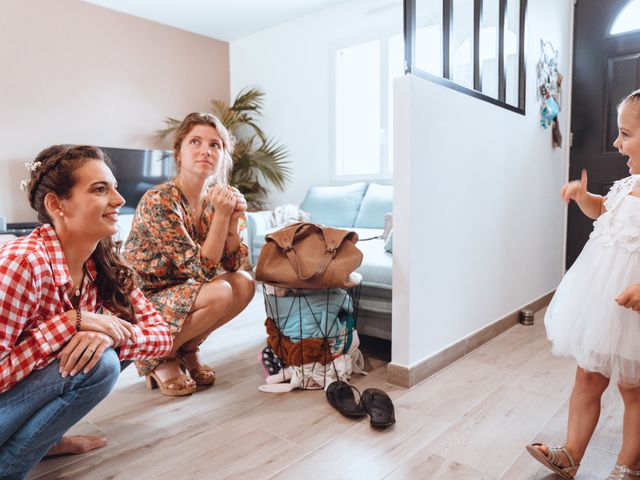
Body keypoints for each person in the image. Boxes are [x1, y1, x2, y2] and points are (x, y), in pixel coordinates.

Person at [0, 145, 173, 479]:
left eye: (114, 187)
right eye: (100, 189)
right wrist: (69, 323)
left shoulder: (103, 262)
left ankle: (46, 442)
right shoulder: (23, 263)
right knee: (100, 364)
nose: (120, 200)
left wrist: (104, 333)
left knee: (105, 354)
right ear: (56, 204)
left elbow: (162, 335)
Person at [526, 89, 640, 479]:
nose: (616, 142)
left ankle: (629, 465)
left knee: (634, 388)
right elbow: (604, 212)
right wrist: (583, 196)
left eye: (625, 134)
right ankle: (572, 454)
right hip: (604, 300)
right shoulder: (626, 185)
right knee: (588, 375)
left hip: (637, 308)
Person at [124, 112, 255, 396]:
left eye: (215, 145)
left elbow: (232, 264)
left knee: (243, 284)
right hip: (146, 300)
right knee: (219, 291)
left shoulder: (216, 198)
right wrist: (222, 214)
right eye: (195, 142)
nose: (206, 150)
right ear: (179, 153)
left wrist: (231, 220)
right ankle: (156, 355)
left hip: (185, 292)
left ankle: (187, 349)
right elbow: (203, 271)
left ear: (223, 155)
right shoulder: (159, 200)